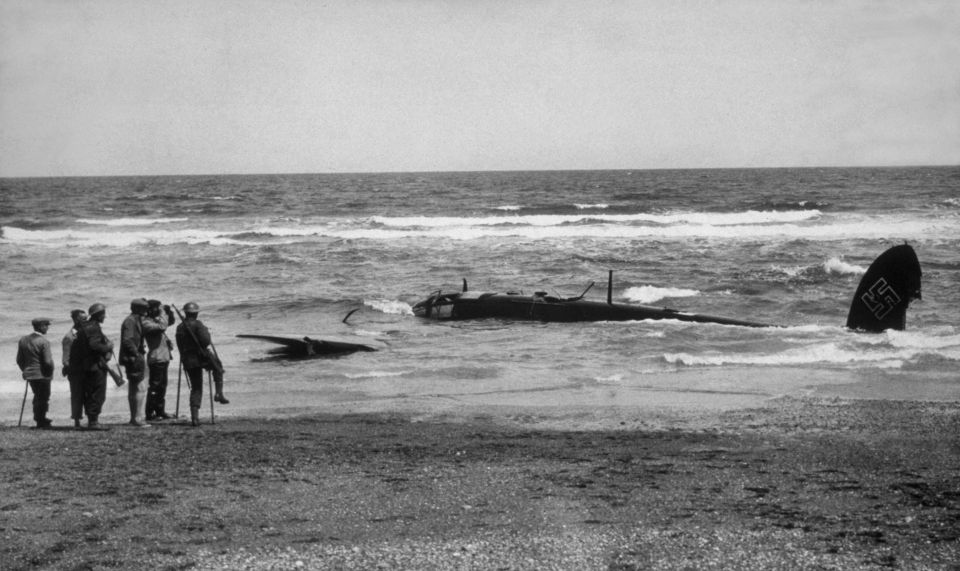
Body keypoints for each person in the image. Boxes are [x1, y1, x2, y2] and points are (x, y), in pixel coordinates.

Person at [175, 301, 227, 427]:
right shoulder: (198, 325)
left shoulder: (180, 327)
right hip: (200, 357)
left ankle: (195, 418)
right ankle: (219, 393)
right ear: (196, 314)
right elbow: (205, 341)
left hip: (187, 358)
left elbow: (179, 345)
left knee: (196, 387)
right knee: (218, 367)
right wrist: (206, 332)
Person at [69, 303, 115, 430]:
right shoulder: (93, 327)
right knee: (98, 394)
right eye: (103, 314)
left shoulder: (85, 326)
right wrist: (108, 347)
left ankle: (92, 420)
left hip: (87, 366)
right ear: (98, 315)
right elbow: (94, 346)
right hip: (94, 366)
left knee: (92, 394)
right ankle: (93, 422)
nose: (105, 316)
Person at [17, 318, 56, 428]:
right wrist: (49, 372)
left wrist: (25, 370)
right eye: (46, 325)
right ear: (40, 327)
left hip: (30, 374)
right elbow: (48, 362)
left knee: (38, 396)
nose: (47, 327)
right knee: (43, 397)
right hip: (42, 374)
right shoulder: (44, 341)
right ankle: (40, 420)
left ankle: (39, 418)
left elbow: (19, 360)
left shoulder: (23, 340)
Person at [143, 299, 176, 421]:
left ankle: (160, 411)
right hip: (156, 358)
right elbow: (162, 326)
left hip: (163, 357)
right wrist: (162, 312)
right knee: (155, 387)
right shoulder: (146, 322)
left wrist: (167, 312)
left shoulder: (154, 320)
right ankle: (149, 412)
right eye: (157, 308)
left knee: (162, 386)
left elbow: (170, 322)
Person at [120, 298, 150, 427]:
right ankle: (137, 418)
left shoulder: (133, 320)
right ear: (138, 309)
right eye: (144, 309)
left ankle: (135, 417)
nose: (146, 311)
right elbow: (127, 341)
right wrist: (136, 354)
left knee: (135, 388)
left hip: (133, 357)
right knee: (140, 388)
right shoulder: (130, 321)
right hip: (133, 358)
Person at [61, 309, 88, 428]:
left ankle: (91, 419)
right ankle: (77, 420)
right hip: (76, 371)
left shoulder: (86, 332)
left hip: (87, 369)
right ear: (76, 320)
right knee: (77, 395)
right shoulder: (69, 336)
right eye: (83, 319)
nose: (86, 321)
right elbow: (65, 359)